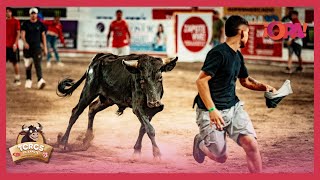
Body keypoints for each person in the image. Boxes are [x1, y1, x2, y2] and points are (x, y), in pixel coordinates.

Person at [193, 15, 277, 173]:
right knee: (220, 157)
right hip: (210, 111)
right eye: (248, 33)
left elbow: (245, 81)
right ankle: (200, 144)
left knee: (251, 144)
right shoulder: (218, 53)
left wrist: (267, 88)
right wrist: (212, 110)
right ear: (242, 33)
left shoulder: (238, 56)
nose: (248, 37)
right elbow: (201, 81)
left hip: (233, 107)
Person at [21, 7, 47, 89]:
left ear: (37, 14)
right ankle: (28, 80)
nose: (33, 15)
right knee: (28, 65)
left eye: (35, 13)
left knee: (37, 64)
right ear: (30, 14)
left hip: (37, 48)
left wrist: (45, 48)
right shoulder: (25, 24)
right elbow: (22, 34)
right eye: (32, 13)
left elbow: (43, 37)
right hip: (27, 48)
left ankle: (40, 80)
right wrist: (25, 43)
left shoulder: (41, 25)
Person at [6, 7, 21, 86]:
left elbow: (18, 33)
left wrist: (15, 43)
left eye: (9, 12)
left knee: (15, 63)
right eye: (6, 12)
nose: (7, 13)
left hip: (13, 46)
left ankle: (17, 79)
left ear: (11, 13)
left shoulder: (16, 21)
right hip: (4, 46)